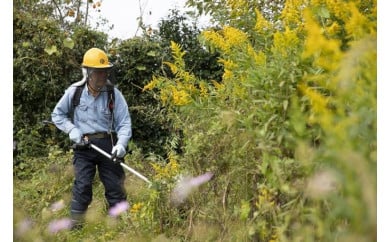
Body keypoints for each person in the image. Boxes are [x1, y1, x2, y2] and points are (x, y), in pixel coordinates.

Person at [51, 47, 132, 229]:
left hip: (108, 145)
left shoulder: (113, 94)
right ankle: (76, 229)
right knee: (83, 186)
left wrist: (121, 144)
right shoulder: (75, 92)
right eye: (98, 72)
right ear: (88, 72)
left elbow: (124, 123)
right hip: (83, 146)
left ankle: (120, 229)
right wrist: (72, 129)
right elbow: (58, 115)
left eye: (105, 72)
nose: (103, 76)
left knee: (115, 187)